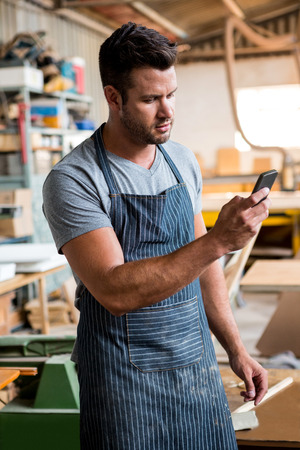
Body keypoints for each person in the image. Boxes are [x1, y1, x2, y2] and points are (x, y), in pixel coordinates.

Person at [43, 22, 269, 450]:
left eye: (171, 95)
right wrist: (218, 240)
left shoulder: (181, 161)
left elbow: (206, 270)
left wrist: (236, 349)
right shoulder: (74, 179)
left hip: (196, 369)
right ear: (114, 97)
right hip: (122, 382)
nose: (168, 111)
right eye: (150, 99)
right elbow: (114, 290)